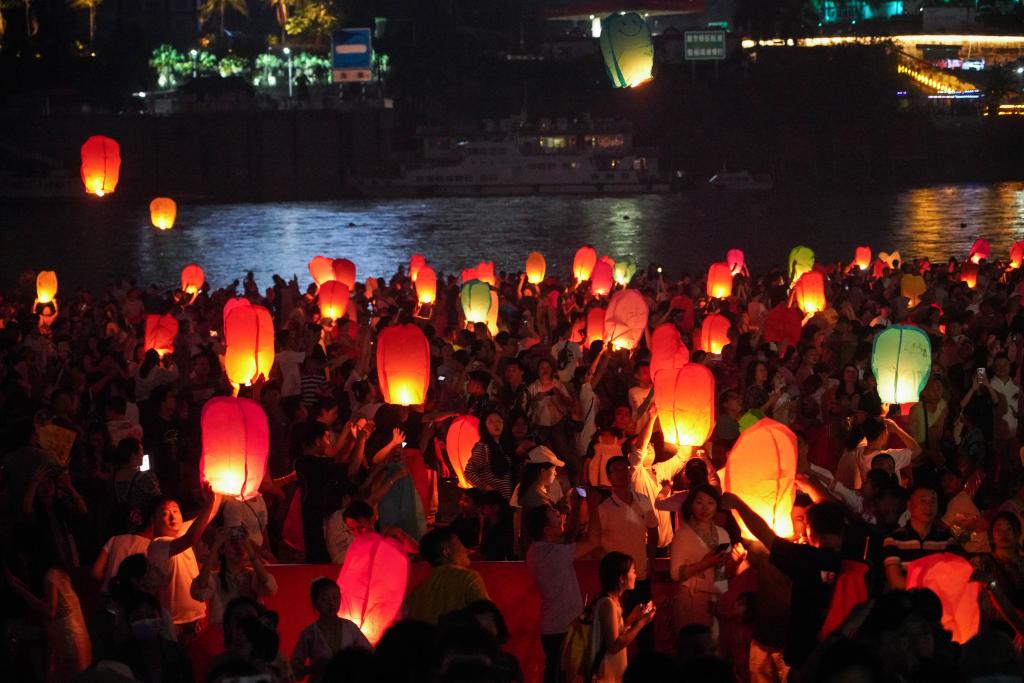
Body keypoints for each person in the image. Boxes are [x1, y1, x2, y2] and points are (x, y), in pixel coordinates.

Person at [721, 493, 847, 671]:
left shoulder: (803, 557)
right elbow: (733, 572)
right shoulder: (850, 557)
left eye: (803, 519)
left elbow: (764, 533)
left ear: (811, 528)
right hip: (815, 648)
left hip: (802, 652)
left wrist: (738, 505)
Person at [525, 491, 602, 683]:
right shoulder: (549, 553)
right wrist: (593, 507)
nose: (560, 517)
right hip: (561, 627)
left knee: (559, 673)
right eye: (555, 516)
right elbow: (593, 541)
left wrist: (576, 506)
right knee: (564, 676)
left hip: (556, 625)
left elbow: (568, 536)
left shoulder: (539, 549)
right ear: (546, 530)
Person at [146, 484, 222, 643]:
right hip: (175, 623)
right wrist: (208, 503)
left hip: (199, 617)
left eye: (175, 511)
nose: (172, 517)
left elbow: (212, 512)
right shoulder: (157, 545)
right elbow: (190, 538)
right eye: (165, 513)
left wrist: (219, 487)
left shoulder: (182, 531)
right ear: (153, 520)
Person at [5, 545, 92, 682]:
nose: (22, 558)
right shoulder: (57, 573)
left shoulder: (51, 575)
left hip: (69, 639)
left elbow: (50, 611)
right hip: (70, 636)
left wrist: (21, 591)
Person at [598, 455, 658, 649]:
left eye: (626, 469)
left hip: (640, 573)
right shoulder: (604, 509)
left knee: (646, 626)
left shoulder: (643, 499)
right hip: (618, 579)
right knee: (618, 626)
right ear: (609, 477)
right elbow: (596, 541)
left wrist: (651, 560)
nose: (623, 474)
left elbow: (653, 530)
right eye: (617, 470)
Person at [669, 484, 732, 635]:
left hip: (716, 598)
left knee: (715, 642)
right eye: (699, 502)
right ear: (691, 505)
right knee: (694, 642)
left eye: (710, 503)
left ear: (716, 506)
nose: (705, 508)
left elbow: (724, 573)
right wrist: (706, 563)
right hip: (692, 596)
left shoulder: (722, 534)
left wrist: (736, 561)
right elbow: (675, 574)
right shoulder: (682, 535)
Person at [190, 525, 278, 625]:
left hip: (250, 630)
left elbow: (267, 585)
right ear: (222, 550)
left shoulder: (251, 575)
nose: (238, 548)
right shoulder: (215, 578)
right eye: (232, 543)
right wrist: (216, 545)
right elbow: (201, 588)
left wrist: (248, 544)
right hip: (223, 630)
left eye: (242, 544)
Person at [590, 551, 657, 683]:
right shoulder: (608, 604)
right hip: (605, 674)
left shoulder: (614, 601)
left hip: (612, 672)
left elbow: (614, 632)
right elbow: (614, 645)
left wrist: (632, 618)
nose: (635, 575)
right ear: (622, 578)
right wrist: (641, 623)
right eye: (633, 571)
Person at [290, 577, 371, 683]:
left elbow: (368, 654)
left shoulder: (350, 627)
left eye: (335, 597)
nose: (331, 603)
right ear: (315, 603)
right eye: (324, 599)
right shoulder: (309, 633)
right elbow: (294, 668)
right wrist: (312, 669)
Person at [405, 527, 490, 624]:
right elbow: (488, 618)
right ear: (446, 551)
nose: (467, 550)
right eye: (460, 544)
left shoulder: (417, 591)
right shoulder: (468, 578)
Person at [882, 482, 955, 590]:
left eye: (932, 502)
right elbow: (896, 582)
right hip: (906, 599)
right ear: (909, 506)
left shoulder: (947, 540)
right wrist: (932, 585)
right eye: (923, 501)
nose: (928, 507)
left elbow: (952, 577)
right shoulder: (894, 540)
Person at [465, 410, 515, 500]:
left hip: (507, 499)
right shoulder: (483, 447)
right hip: (494, 500)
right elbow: (469, 472)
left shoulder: (503, 445)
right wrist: (486, 487)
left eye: (499, 421)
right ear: (484, 426)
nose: (496, 425)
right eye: (491, 422)